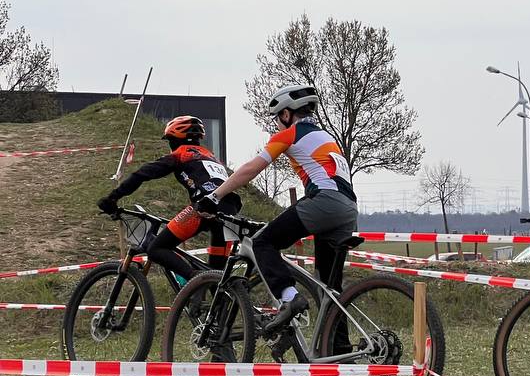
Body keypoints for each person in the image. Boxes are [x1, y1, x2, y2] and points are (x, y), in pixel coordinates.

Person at [197, 84, 358, 336]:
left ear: (285, 114)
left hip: (325, 201)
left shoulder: (290, 134)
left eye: (277, 118)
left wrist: (215, 196)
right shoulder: (325, 136)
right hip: (348, 208)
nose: (277, 124)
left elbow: (251, 169)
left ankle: (289, 297)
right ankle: (339, 353)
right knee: (328, 288)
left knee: (262, 243)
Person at [96, 116, 228, 280]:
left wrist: (112, 198)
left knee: (156, 248)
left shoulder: (182, 154)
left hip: (204, 208)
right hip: (230, 212)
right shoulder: (212, 157)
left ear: (174, 140)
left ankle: (196, 280)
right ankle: (212, 289)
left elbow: (142, 174)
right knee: (217, 277)